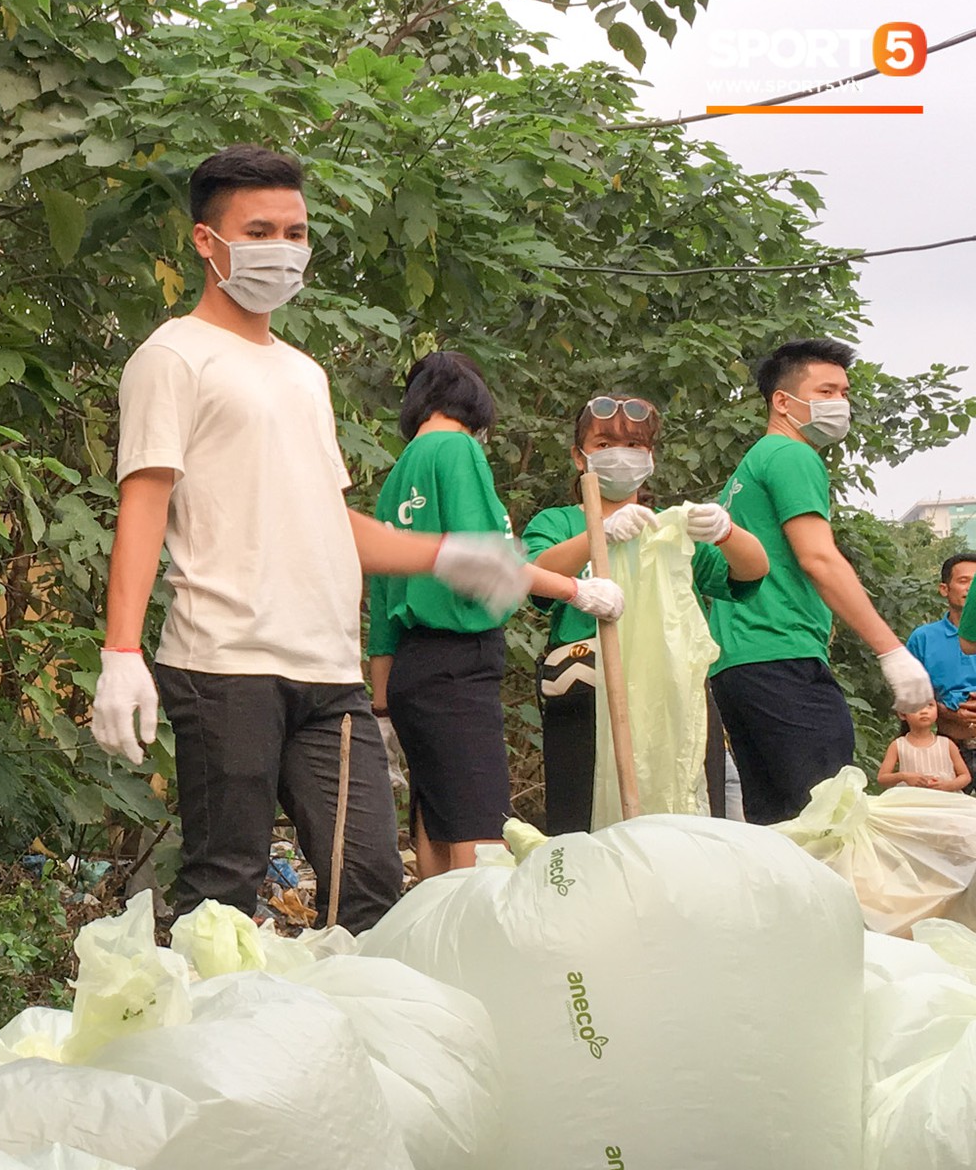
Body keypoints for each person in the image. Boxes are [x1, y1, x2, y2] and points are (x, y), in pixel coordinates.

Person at [89, 145, 538, 929]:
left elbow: (329, 521)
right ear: (207, 240)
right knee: (223, 891)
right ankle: (193, 1045)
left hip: (329, 674)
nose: (283, 248)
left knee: (367, 885)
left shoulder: (303, 373)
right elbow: (145, 505)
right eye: (260, 229)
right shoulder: (172, 357)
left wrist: (446, 555)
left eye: (296, 232)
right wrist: (121, 653)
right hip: (224, 664)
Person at [365, 352, 625, 878]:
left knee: (435, 822)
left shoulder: (397, 478)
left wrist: (383, 703)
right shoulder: (457, 448)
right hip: (457, 659)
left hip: (412, 672)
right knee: (482, 831)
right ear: (475, 401)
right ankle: (479, 952)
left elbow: (384, 608)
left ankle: (433, 951)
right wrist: (576, 590)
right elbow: (487, 559)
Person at [705, 338, 935, 824]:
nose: (840, 403)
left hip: (739, 665)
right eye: (827, 390)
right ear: (783, 402)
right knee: (830, 822)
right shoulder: (792, 456)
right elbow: (819, 559)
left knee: (781, 828)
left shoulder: (750, 467)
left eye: (845, 392)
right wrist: (892, 651)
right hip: (781, 656)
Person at [523, 395, 770, 834]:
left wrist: (727, 531)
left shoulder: (668, 530)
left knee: (687, 821)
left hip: (671, 698)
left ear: (651, 457)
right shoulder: (558, 522)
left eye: (635, 445)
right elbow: (535, 576)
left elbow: (751, 571)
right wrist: (599, 534)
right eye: (604, 443)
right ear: (579, 456)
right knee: (583, 824)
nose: (620, 454)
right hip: (586, 692)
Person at [906, 551, 976, 789]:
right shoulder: (923, 638)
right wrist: (947, 711)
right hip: (944, 746)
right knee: (944, 819)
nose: (971, 588)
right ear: (944, 589)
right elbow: (910, 695)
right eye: (964, 580)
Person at [877, 700, 972, 792]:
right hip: (911, 801)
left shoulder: (947, 744)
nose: (924, 711)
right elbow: (882, 778)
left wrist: (948, 785)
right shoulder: (898, 745)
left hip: (945, 801)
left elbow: (965, 776)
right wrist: (904, 776)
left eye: (929, 705)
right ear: (902, 713)